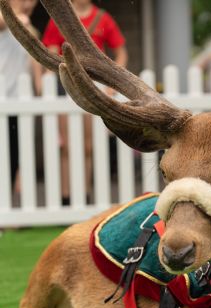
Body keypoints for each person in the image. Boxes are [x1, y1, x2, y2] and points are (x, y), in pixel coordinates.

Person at [42, 0, 128, 205]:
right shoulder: (60, 18)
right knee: (66, 145)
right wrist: (47, 82)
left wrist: (113, 83)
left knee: (88, 146)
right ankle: (65, 196)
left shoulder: (103, 18)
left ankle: (85, 193)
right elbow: (51, 51)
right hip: (65, 85)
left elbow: (121, 51)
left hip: (93, 85)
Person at [0, 0, 42, 195]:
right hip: (3, 97)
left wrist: (41, 90)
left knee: (14, 156)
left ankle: (7, 205)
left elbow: (35, 63)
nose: (30, 3)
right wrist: (17, 17)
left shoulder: (29, 28)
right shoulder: (8, 19)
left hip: (19, 99)